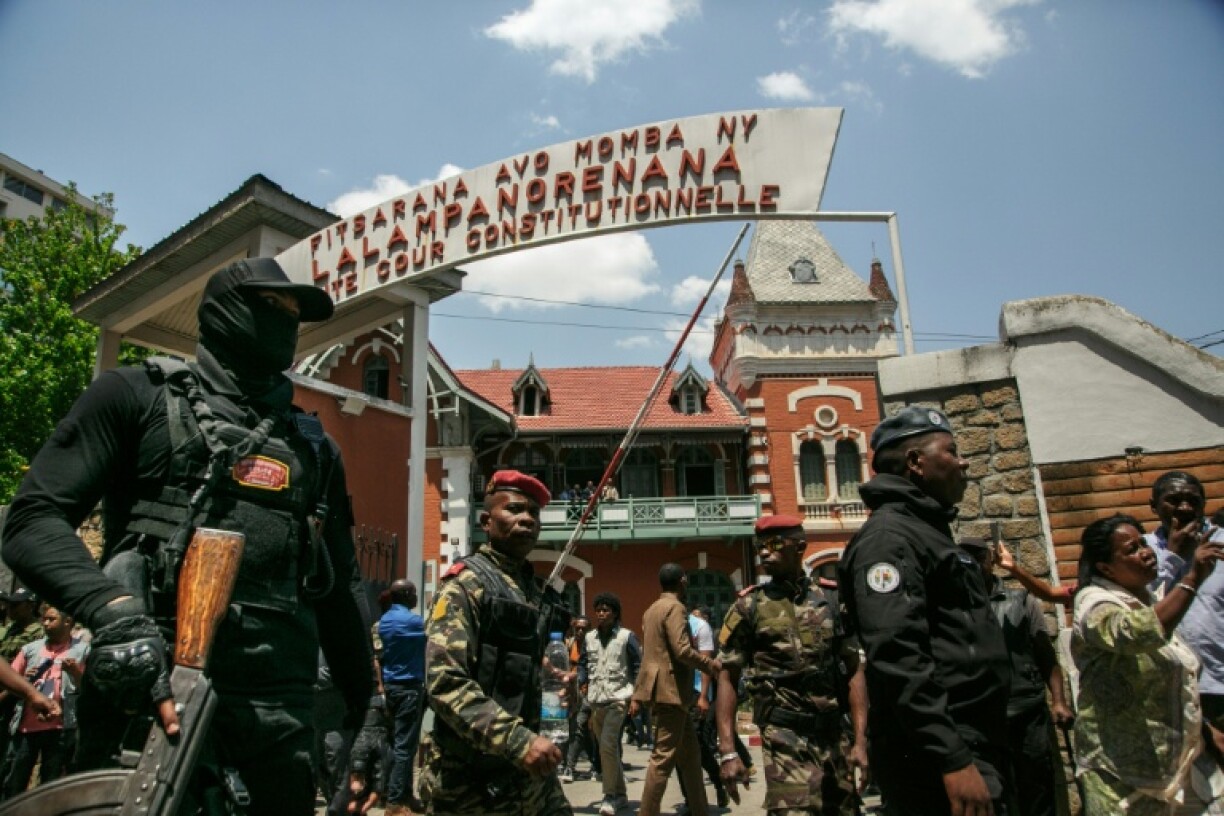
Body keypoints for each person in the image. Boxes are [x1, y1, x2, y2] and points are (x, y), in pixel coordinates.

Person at [1, 258, 374, 815]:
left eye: (295, 313)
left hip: (279, 714)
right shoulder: (134, 395)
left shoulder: (315, 448)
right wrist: (114, 613)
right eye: (270, 306)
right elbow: (31, 519)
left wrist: (366, 713)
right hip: (149, 692)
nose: (286, 323)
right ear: (222, 311)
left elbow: (341, 588)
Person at [838, 405, 1011, 815]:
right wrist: (952, 757)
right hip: (936, 755)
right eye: (951, 451)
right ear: (916, 462)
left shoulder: (926, 531)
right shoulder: (889, 540)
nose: (963, 462)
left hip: (973, 739)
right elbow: (899, 655)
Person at [422, 469, 572, 815]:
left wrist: (559, 689)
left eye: (534, 513)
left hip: (533, 780)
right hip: (472, 784)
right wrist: (519, 741)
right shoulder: (464, 586)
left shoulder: (532, 592)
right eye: (514, 509)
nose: (527, 519)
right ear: (486, 521)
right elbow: (444, 682)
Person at [1071, 513, 1224, 814]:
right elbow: (1136, 633)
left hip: (1179, 765)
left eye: (1143, 543)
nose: (1145, 552)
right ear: (1105, 568)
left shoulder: (1149, 599)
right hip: (1120, 775)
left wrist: (1207, 731)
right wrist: (1192, 579)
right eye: (1131, 549)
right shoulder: (1093, 603)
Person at [716, 514, 868, 815]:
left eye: (774, 544)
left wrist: (861, 742)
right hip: (783, 735)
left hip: (833, 736)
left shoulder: (831, 600)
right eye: (760, 546)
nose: (764, 552)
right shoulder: (749, 606)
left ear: (799, 547)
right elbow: (727, 677)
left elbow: (854, 670)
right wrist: (728, 751)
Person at [960, 537, 1074, 816]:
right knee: (996, 794)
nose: (973, 565)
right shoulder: (956, 608)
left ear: (991, 562)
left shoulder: (1020, 601)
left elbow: (1045, 655)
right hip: (983, 718)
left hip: (1026, 711)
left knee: (1037, 789)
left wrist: (1059, 701)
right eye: (965, 559)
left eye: (979, 558)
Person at [631, 562, 722, 816]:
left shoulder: (651, 609)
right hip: (671, 691)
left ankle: (699, 809)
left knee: (691, 757)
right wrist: (710, 665)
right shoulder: (676, 608)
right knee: (662, 759)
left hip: (663, 690)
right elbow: (681, 649)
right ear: (682, 581)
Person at [1142, 472, 1224, 738]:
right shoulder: (1141, 551)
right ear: (1154, 506)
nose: (1185, 508)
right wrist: (1173, 555)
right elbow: (1141, 609)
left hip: (1218, 682)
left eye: (1193, 500)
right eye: (1174, 500)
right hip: (1171, 690)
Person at [3, 605, 89, 797]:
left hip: (61, 728)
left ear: (68, 622)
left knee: (51, 784)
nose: (46, 623)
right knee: (14, 781)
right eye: (44, 619)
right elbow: (10, 681)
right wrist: (26, 680)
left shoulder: (82, 651)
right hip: (26, 727)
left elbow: (89, 689)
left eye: (52, 619)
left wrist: (76, 672)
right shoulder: (30, 649)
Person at [580, 592, 641, 816]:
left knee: (607, 745)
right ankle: (621, 795)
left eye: (605, 610)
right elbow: (584, 663)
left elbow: (638, 667)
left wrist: (637, 698)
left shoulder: (627, 637)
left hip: (618, 698)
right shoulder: (589, 638)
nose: (601, 614)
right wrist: (581, 680)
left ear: (615, 613)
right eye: (598, 610)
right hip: (597, 700)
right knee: (608, 748)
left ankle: (609, 795)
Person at [379, 579, 427, 815]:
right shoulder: (413, 622)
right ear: (407, 595)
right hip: (409, 688)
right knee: (404, 747)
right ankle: (395, 801)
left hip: (391, 688)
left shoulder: (385, 620)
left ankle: (404, 794)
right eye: (414, 593)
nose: (416, 597)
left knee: (397, 744)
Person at [0, 589, 43, 771]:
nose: (10, 609)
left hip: (15, 697)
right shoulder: (11, 629)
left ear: (30, 606)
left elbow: (32, 671)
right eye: (9, 605)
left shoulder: (38, 632)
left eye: (16, 605)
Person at [560, 615, 599, 783]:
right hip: (574, 693)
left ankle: (572, 766)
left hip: (593, 693)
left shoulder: (594, 646)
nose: (581, 632)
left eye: (584, 628)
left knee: (586, 729)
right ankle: (590, 765)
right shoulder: (569, 645)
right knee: (581, 729)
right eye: (578, 629)